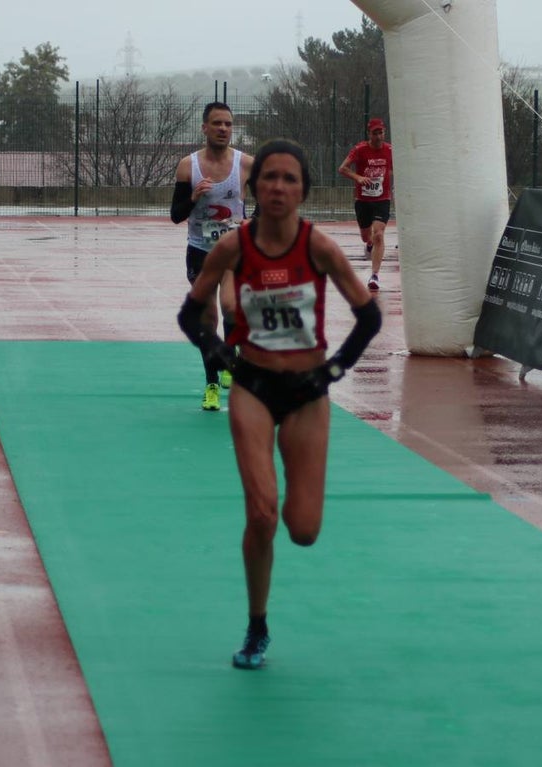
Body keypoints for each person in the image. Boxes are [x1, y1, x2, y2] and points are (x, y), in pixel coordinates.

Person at [177, 139, 382, 670]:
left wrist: (334, 370)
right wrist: (220, 355)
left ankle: (297, 494)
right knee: (262, 514)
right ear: (254, 186)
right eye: (269, 177)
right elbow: (190, 314)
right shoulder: (233, 248)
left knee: (303, 529)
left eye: (290, 179)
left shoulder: (319, 247)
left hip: (308, 394)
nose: (278, 187)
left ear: (303, 191)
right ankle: (257, 625)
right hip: (253, 389)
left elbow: (369, 317)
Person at [171, 101, 254, 411]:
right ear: (204, 128)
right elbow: (175, 215)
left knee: (231, 307)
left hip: (233, 251)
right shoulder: (188, 166)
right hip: (200, 251)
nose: (223, 129)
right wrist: (193, 198)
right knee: (209, 318)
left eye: (228, 124)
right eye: (217, 123)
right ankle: (211, 384)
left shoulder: (246, 164)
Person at [338, 117, 393, 291]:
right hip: (363, 200)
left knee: (379, 235)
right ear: (369, 134)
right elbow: (342, 168)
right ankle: (369, 244)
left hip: (382, 199)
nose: (378, 136)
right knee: (366, 237)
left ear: (384, 132)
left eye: (381, 132)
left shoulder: (390, 150)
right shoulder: (360, 149)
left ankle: (374, 276)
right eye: (375, 133)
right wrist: (358, 177)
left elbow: (397, 169)